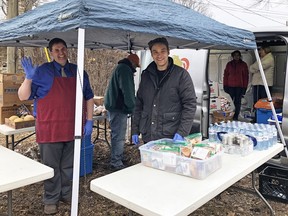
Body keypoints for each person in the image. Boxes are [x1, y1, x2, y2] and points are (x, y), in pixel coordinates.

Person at [18, 38, 94, 215]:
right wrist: (28, 78)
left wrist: (89, 121)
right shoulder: (42, 71)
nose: (61, 53)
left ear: (67, 50)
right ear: (51, 52)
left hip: (72, 127)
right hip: (49, 127)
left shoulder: (79, 71)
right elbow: (23, 96)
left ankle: (66, 193)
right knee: (51, 166)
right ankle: (51, 198)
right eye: (56, 50)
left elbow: (89, 97)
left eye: (63, 49)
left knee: (68, 165)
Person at [131, 37, 197, 144]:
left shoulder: (181, 75)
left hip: (170, 136)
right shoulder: (146, 75)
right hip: (148, 135)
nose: (159, 55)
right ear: (151, 54)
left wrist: (182, 132)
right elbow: (139, 104)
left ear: (168, 52)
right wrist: (135, 129)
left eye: (163, 51)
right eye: (155, 52)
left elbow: (190, 105)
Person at [104, 53, 140, 171]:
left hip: (113, 106)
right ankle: (116, 162)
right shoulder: (125, 70)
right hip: (118, 108)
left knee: (116, 134)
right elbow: (128, 91)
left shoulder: (120, 67)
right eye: (136, 66)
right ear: (133, 64)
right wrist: (131, 107)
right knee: (119, 136)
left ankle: (117, 156)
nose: (135, 69)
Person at [223, 50, 249, 120]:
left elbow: (246, 77)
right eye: (235, 55)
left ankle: (235, 117)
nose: (236, 57)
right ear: (232, 56)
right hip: (230, 86)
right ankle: (229, 116)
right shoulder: (229, 64)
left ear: (240, 56)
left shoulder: (243, 64)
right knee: (229, 102)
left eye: (238, 55)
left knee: (237, 102)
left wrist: (245, 88)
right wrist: (225, 85)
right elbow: (225, 75)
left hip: (239, 87)